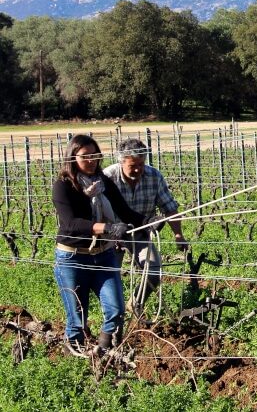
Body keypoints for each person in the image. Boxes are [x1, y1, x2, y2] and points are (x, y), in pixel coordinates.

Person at [52, 134, 144, 355]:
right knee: (77, 318)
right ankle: (73, 360)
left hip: (103, 255)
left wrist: (147, 222)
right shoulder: (62, 186)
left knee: (116, 310)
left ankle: (103, 355)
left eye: (95, 156)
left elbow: (124, 211)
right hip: (72, 258)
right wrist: (107, 228)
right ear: (72, 158)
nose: (91, 160)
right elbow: (71, 223)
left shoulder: (104, 183)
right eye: (85, 156)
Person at [103, 138, 188, 316]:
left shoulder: (154, 176)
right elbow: (96, 212)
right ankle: (113, 316)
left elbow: (170, 208)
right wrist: (111, 233)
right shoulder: (108, 178)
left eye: (141, 164)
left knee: (154, 272)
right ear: (121, 162)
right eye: (133, 165)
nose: (138, 170)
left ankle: (135, 304)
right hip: (111, 235)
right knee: (111, 278)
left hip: (141, 232)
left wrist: (178, 235)